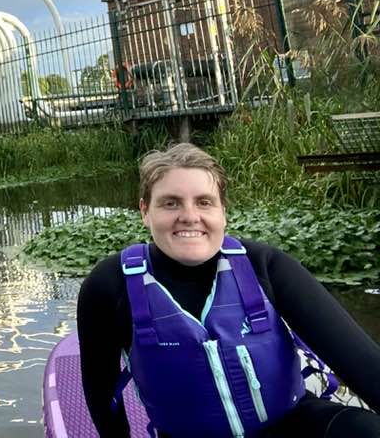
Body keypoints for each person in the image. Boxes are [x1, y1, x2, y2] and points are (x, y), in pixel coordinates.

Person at [77, 143, 380, 437]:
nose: (189, 216)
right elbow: (103, 396)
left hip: (293, 424)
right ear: (145, 210)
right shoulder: (110, 286)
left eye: (204, 202)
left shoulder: (266, 266)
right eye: (170, 203)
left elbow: (361, 364)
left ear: (223, 211)